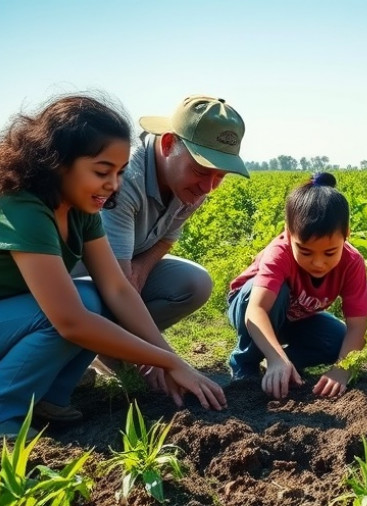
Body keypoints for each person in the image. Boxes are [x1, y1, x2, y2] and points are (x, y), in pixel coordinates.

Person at [0, 95, 227, 439]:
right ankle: (4, 413)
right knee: (75, 309)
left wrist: (169, 358)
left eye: (119, 172)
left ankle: (49, 396)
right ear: (57, 163)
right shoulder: (25, 207)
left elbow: (118, 288)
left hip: (14, 319)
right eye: (102, 171)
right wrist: (168, 362)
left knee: (98, 297)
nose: (114, 184)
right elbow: (70, 321)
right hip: (15, 317)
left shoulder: (81, 209)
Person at [73, 94, 249, 332]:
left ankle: (121, 347)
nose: (208, 187)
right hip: (79, 271)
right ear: (168, 144)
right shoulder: (124, 179)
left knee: (195, 284)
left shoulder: (193, 186)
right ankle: (116, 346)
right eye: (200, 170)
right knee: (95, 300)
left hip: (127, 265)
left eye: (221, 175)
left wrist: (142, 269)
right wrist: (160, 356)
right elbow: (118, 283)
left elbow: (167, 237)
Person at [226, 172, 367, 400]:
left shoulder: (352, 262)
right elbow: (257, 310)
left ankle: (285, 362)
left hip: (297, 317)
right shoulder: (279, 253)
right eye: (305, 251)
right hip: (249, 306)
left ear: (346, 235)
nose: (318, 262)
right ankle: (245, 362)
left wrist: (342, 370)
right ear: (288, 233)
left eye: (330, 252)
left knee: (338, 340)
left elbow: (357, 327)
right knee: (278, 294)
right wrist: (276, 358)